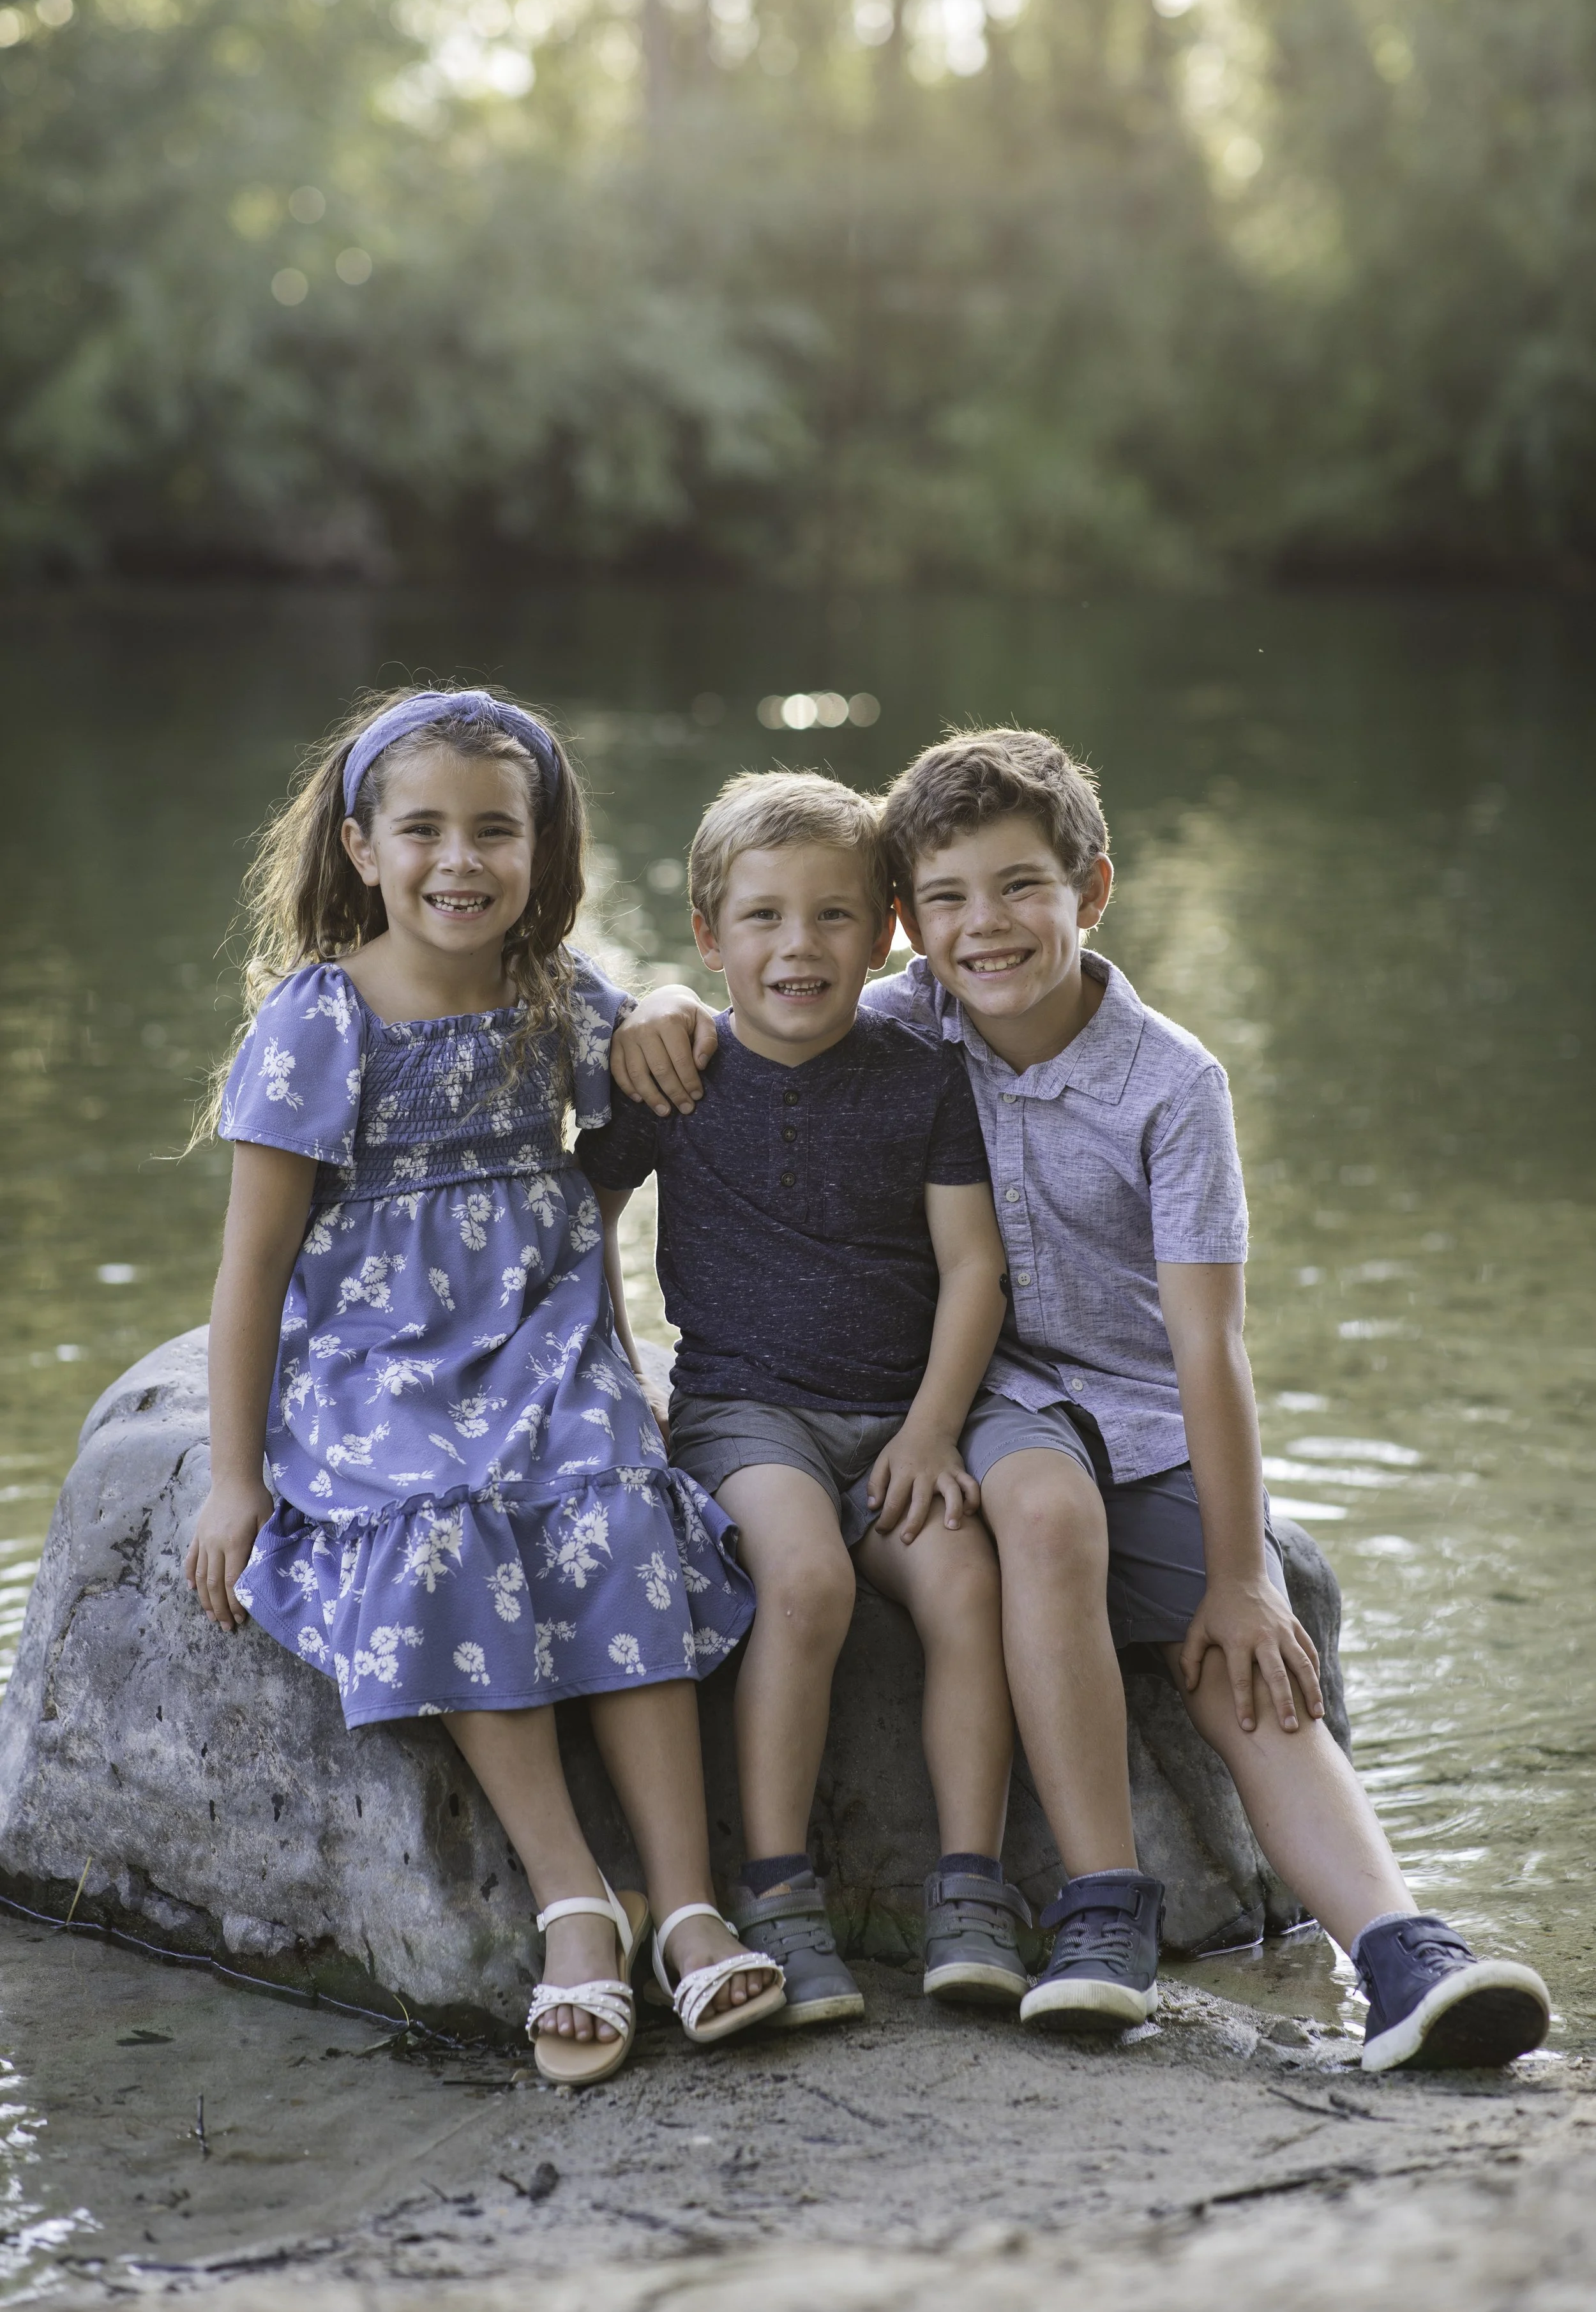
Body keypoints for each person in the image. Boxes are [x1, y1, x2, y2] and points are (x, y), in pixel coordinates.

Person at [612, 730, 1552, 2075]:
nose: (981, 929)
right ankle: (1097, 1902)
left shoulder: (1171, 1084)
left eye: (1016, 890)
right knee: (1044, 1522)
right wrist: (652, 994)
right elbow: (758, 998)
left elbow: (1208, 1348)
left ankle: (1400, 1950)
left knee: (1246, 1664)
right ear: (910, 927)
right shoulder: (902, 1014)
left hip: (1139, 1413)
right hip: (987, 1394)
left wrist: (1240, 1572)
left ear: (1088, 893)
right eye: (944, 901)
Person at [184, 685, 783, 2089]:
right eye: (425, 832)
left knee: (620, 1513)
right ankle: (576, 1897)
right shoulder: (319, 1021)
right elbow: (252, 1269)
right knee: (443, 1528)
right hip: (374, 1367)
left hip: (542, 1340)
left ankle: (687, 1903)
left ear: (542, 846)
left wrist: (683, 1000)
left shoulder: (555, 995)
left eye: (495, 832)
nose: (461, 861)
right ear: (361, 846)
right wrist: (232, 1472)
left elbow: (664, 1055)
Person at [578, 772, 1032, 2029]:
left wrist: (936, 1429)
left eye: (834, 916)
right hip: (744, 1411)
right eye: (764, 919)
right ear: (708, 937)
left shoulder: (921, 1073)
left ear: (886, 931)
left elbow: (971, 1268)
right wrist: (617, 1386)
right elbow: (585, 1224)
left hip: (898, 1416)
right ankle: (776, 1887)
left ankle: (969, 1887)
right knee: (805, 1581)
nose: (799, 946)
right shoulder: (671, 1074)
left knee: (960, 1583)